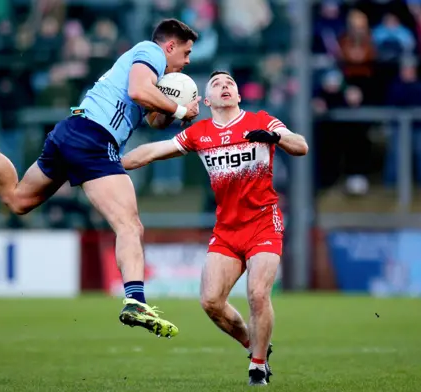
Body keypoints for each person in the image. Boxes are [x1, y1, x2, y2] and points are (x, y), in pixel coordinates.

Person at [0, 19, 201, 339]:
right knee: (130, 225)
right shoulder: (150, 51)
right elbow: (138, 91)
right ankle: (136, 301)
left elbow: (152, 118)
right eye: (186, 52)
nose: (188, 60)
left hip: (72, 131)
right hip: (95, 138)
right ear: (170, 46)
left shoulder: (152, 71)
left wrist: (176, 110)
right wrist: (180, 111)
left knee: (17, 199)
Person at [121, 71, 308, 385]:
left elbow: (300, 145)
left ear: (238, 97)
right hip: (226, 230)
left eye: (230, 84)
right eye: (218, 85)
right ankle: (254, 343)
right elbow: (154, 151)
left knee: (258, 294)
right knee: (210, 302)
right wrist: (112, 163)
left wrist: (275, 137)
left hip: (264, 222)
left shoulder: (260, 120)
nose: (225, 86)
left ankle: (258, 368)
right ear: (206, 101)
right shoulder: (199, 133)